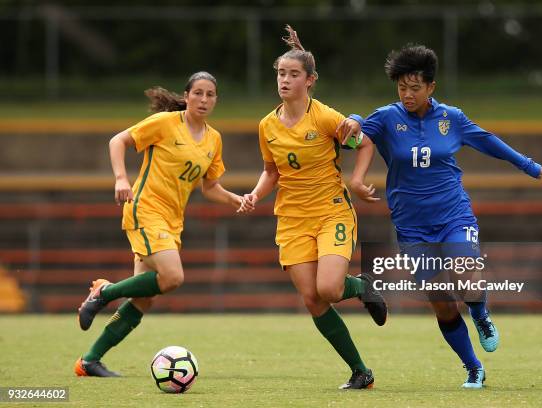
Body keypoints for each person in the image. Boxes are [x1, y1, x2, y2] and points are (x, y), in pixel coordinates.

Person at [346, 44, 542, 389]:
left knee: (466, 273)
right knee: (442, 304)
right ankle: (474, 367)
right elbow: (353, 138)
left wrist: (529, 166)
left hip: (452, 212)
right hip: (411, 224)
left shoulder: (451, 118)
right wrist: (354, 119)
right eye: (402, 87)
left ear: (431, 87)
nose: (408, 94)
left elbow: (487, 141)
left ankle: (480, 314)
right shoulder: (385, 117)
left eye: (415, 87)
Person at [239, 25, 387, 390]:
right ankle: (360, 372)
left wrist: (356, 180)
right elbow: (271, 170)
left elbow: (364, 144)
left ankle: (363, 287)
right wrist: (256, 193)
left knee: (331, 289)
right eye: (280, 73)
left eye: (292, 74)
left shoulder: (323, 118)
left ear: (310, 80)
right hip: (291, 219)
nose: (284, 80)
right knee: (312, 297)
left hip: (331, 211)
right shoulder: (267, 125)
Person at [74, 71, 250, 377]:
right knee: (172, 277)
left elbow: (209, 188)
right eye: (198, 93)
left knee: (144, 300)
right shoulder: (166, 123)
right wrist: (120, 178)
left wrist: (237, 199)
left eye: (210, 94)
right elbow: (118, 140)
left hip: (172, 221)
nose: (204, 99)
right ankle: (104, 291)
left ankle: (89, 361)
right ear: (187, 95)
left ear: (216, 100)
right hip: (146, 210)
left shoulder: (214, 139)